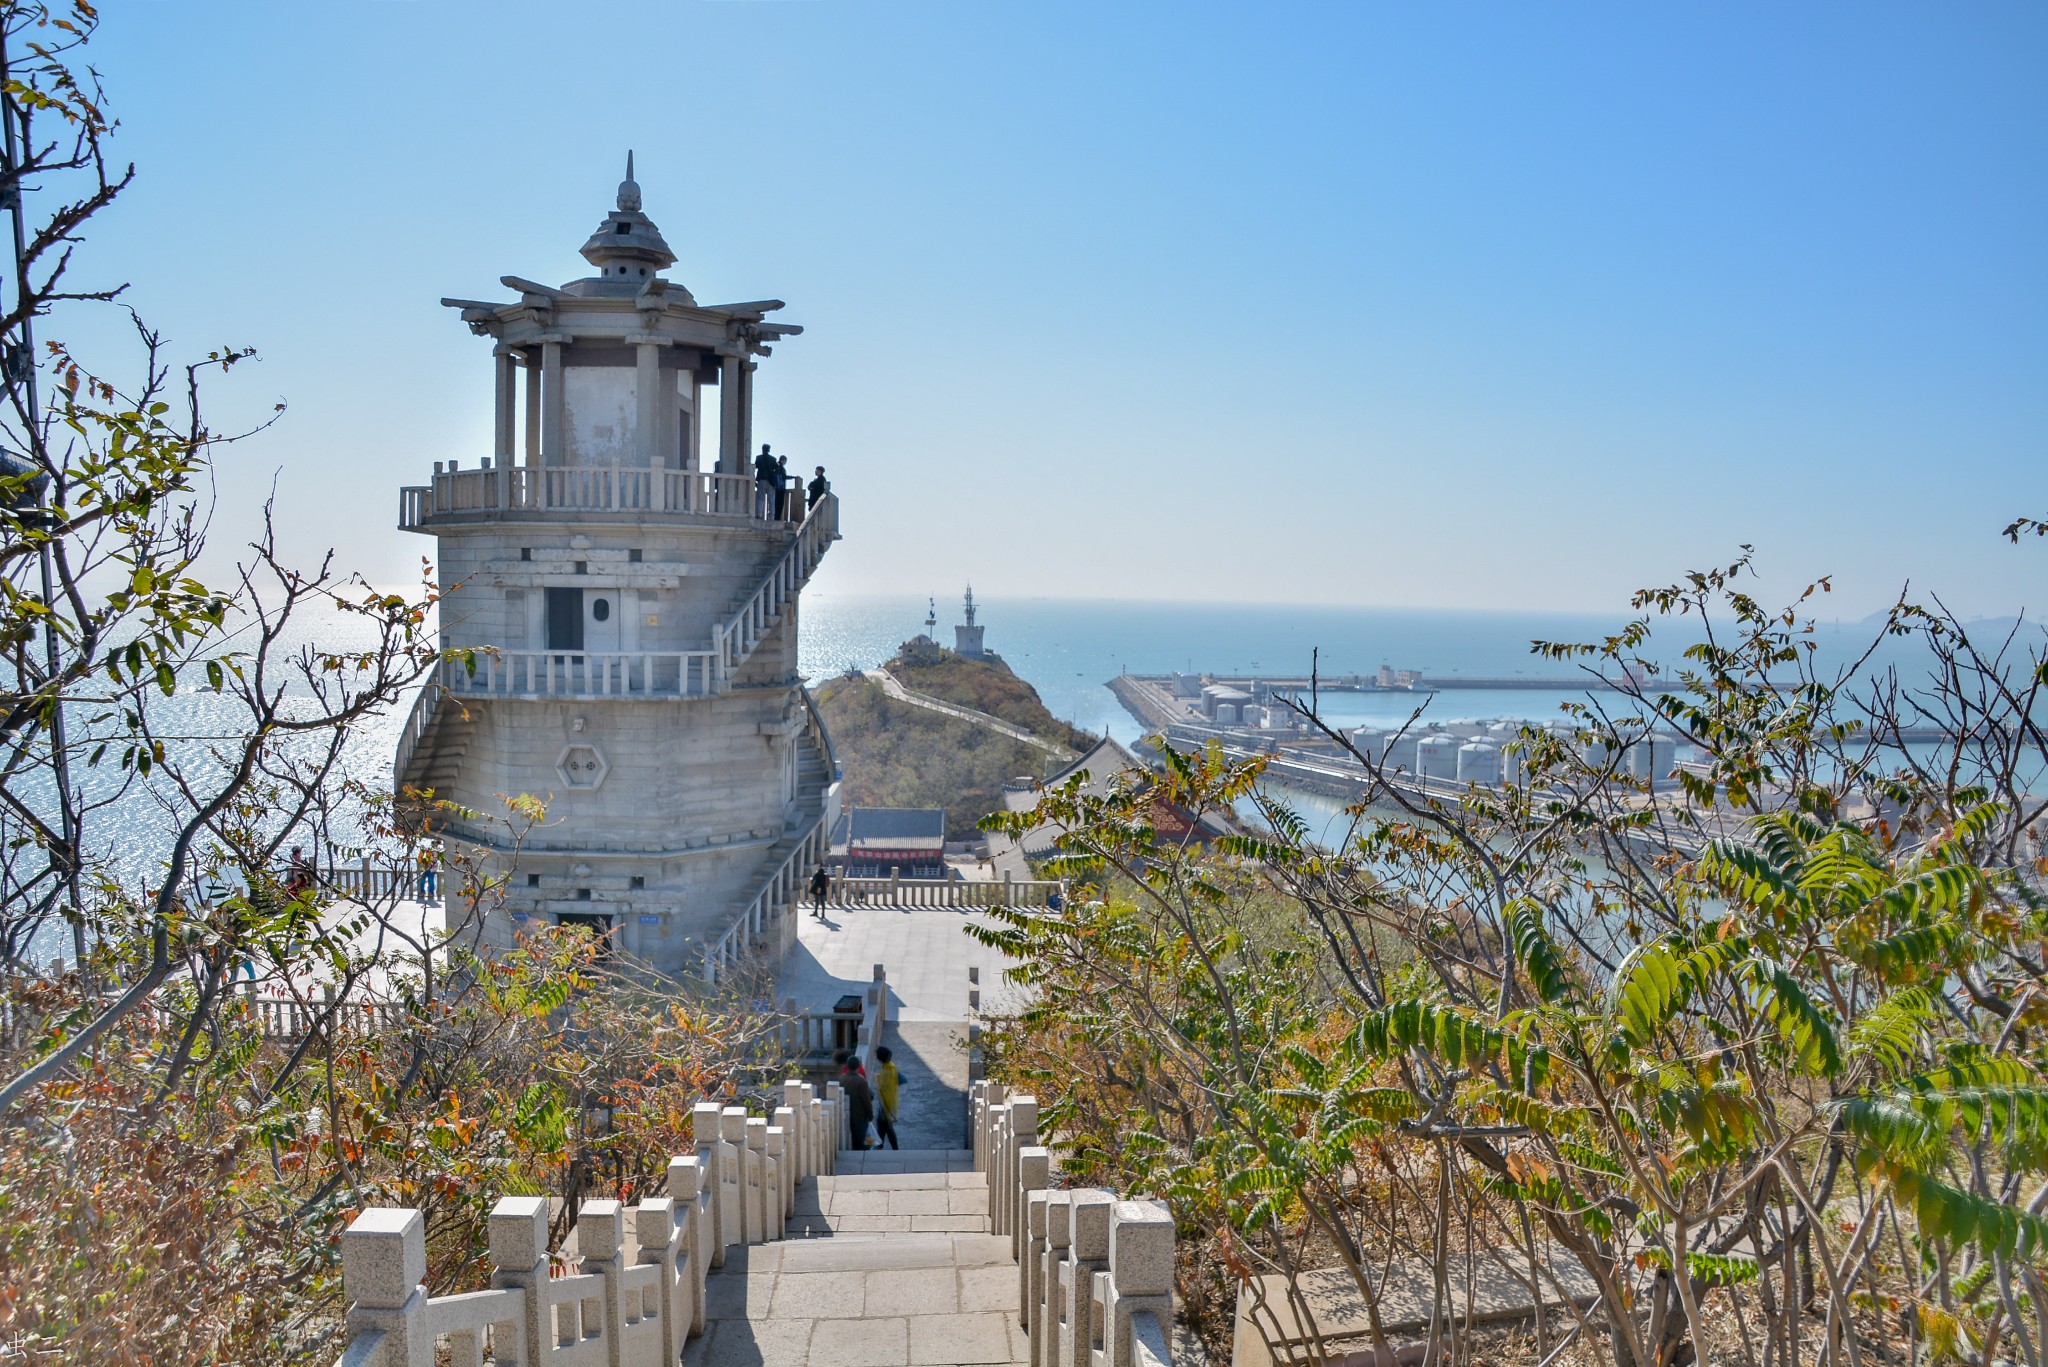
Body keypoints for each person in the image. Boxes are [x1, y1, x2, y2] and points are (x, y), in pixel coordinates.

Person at [837, 1052, 874, 1151]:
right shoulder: (861, 1081)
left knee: (851, 1140)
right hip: (859, 1116)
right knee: (863, 1142)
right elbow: (866, 1100)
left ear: (847, 1066)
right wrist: (870, 1115)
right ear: (858, 1066)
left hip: (845, 1115)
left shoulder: (841, 1079)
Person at [872, 1045, 901, 1151]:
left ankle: (893, 1149)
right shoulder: (891, 1066)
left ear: (879, 1058)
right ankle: (880, 1146)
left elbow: (882, 1086)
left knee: (887, 1127)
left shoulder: (887, 1071)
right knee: (882, 1126)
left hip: (885, 1104)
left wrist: (877, 1079)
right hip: (888, 1102)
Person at [753, 443, 780, 520]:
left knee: (760, 498)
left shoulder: (759, 458)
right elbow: (777, 468)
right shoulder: (773, 459)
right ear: (769, 450)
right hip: (770, 481)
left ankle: (759, 515)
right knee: (771, 499)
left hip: (761, 480)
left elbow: (755, 466)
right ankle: (771, 516)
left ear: (762, 449)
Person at [774, 454, 790, 520]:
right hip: (780, 488)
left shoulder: (775, 466)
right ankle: (777, 518)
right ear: (783, 460)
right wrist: (794, 477)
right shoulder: (780, 467)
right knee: (780, 504)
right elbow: (784, 477)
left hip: (775, 488)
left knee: (775, 503)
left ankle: (776, 517)